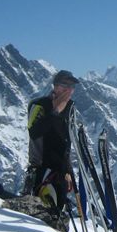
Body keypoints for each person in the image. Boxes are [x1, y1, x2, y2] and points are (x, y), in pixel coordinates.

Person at [23, 70, 79, 215]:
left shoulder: (70, 108)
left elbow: (66, 141)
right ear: (55, 86)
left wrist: (67, 171)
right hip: (41, 170)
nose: (68, 89)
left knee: (56, 213)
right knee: (41, 214)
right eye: (64, 84)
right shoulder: (38, 105)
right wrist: (55, 112)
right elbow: (34, 132)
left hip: (60, 171)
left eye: (72, 86)